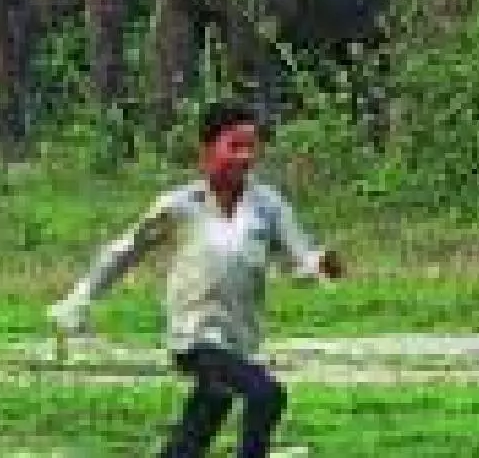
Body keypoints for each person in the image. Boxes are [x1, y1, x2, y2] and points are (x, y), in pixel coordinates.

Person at [47, 101, 343, 458]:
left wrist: (321, 265)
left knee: (191, 440)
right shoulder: (180, 206)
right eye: (234, 146)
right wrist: (81, 298)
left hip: (240, 339)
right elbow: (125, 251)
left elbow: (300, 260)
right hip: (195, 337)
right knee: (266, 395)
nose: (245, 157)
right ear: (207, 150)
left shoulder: (268, 205)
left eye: (251, 147)